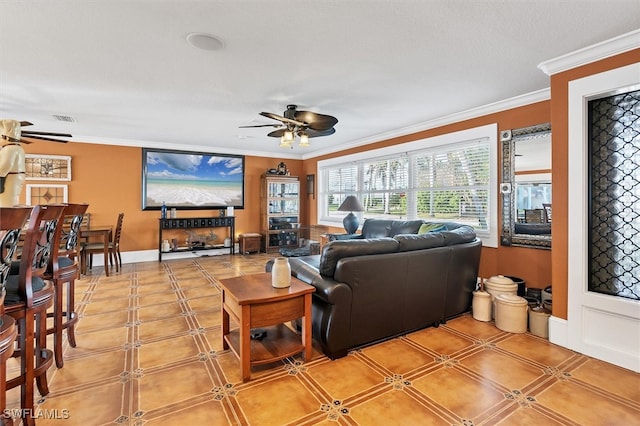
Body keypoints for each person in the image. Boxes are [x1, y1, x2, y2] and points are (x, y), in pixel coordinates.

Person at [0, 119, 26, 207]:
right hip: (15, 177)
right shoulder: (18, 148)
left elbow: (6, 165)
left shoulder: (9, 149)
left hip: (9, 179)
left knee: (6, 203)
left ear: (6, 137)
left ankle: (6, 219)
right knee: (11, 201)